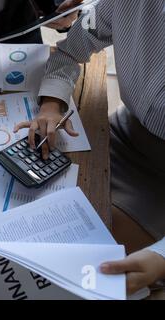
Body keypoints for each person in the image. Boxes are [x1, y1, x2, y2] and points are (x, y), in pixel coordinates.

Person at [14, 0, 165, 294]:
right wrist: (51, 104)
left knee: (87, 260)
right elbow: (71, 48)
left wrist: (161, 257)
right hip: (125, 133)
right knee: (35, 207)